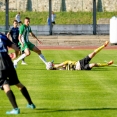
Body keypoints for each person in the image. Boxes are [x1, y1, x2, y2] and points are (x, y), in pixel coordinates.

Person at [0, 33, 35, 114]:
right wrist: (15, 55)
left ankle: (15, 109)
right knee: (17, 83)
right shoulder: (3, 36)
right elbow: (16, 48)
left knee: (5, 84)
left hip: (0, 64)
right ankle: (31, 104)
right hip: (8, 62)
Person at [48, 41, 113, 70]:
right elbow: (58, 66)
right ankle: (107, 64)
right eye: (52, 64)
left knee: (92, 54)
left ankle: (104, 45)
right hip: (80, 68)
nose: (54, 63)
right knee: (93, 64)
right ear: (53, 66)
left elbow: (59, 65)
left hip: (80, 62)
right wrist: (53, 66)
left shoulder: (60, 66)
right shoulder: (59, 67)